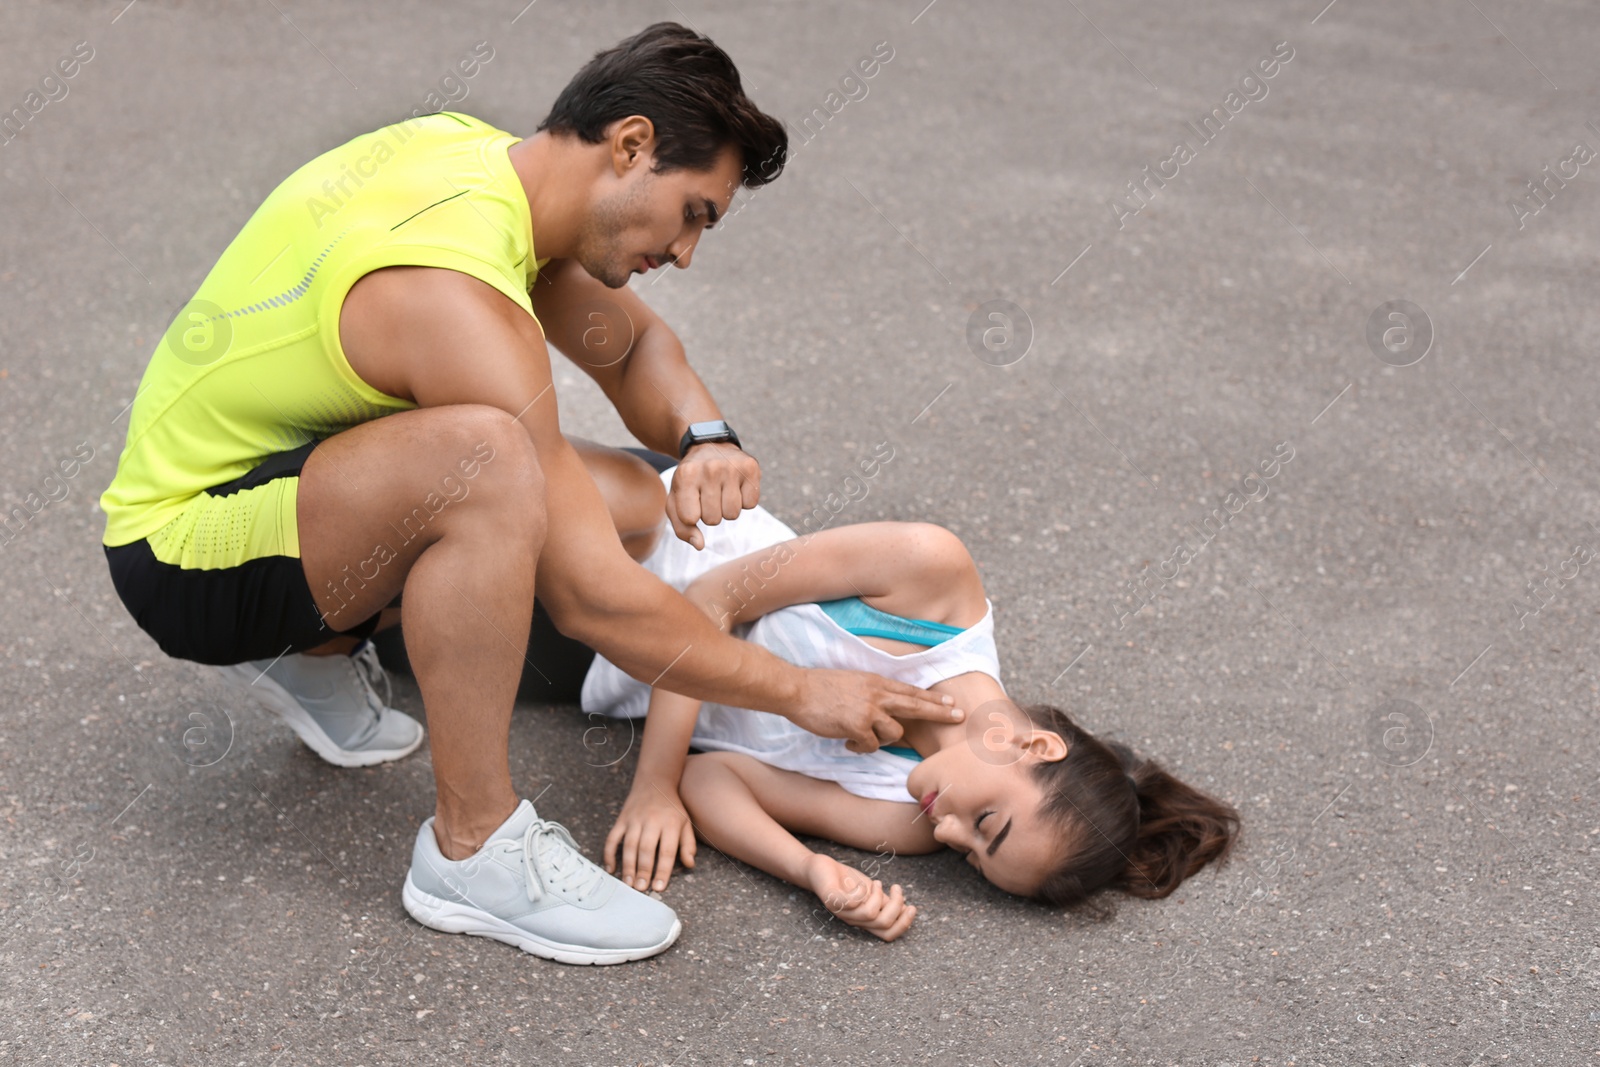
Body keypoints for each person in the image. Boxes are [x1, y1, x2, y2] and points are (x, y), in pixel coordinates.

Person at [97, 23, 961, 966]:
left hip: (278, 485)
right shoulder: (452, 298)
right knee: (494, 466)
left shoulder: (486, 167)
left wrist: (705, 437)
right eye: (694, 213)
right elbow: (591, 597)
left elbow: (626, 345)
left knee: (633, 491)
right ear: (630, 146)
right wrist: (803, 692)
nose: (685, 252)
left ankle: (313, 648)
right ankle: (473, 850)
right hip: (183, 547)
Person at [583, 462, 1240, 941]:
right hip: (648, 541)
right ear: (1034, 745)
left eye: (970, 856)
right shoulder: (933, 581)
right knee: (542, 478)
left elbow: (712, 775)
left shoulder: (911, 819)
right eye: (986, 823)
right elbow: (708, 601)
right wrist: (651, 787)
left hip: (589, 664)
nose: (949, 832)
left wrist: (812, 870)